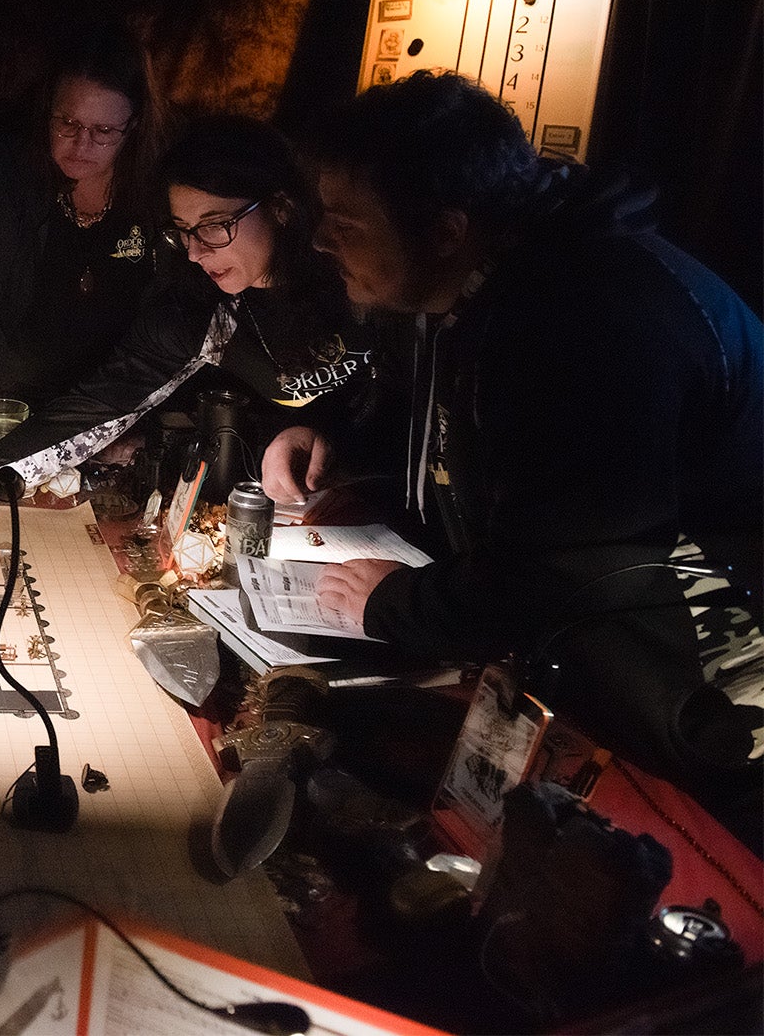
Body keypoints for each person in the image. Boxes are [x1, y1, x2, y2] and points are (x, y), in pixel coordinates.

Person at [265, 71, 763, 782]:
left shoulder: (585, 322)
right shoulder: (481, 283)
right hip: (612, 645)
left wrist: (396, 603)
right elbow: (436, 420)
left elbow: (557, 566)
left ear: (446, 228)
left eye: (345, 224)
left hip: (712, 673)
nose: (318, 241)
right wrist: (337, 440)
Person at [0, 116, 379, 573]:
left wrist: (332, 434)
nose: (197, 251)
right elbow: (91, 410)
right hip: (323, 527)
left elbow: (400, 401)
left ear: (282, 209)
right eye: (183, 231)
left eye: (215, 226)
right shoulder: (204, 313)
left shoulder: (360, 278)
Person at [0, 22, 165, 403]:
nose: (82, 144)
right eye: (68, 122)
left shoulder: (156, 191)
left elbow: (163, 325)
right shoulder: (3, 173)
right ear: (47, 109)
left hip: (109, 404)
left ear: (133, 127)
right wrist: (8, 416)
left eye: (103, 130)